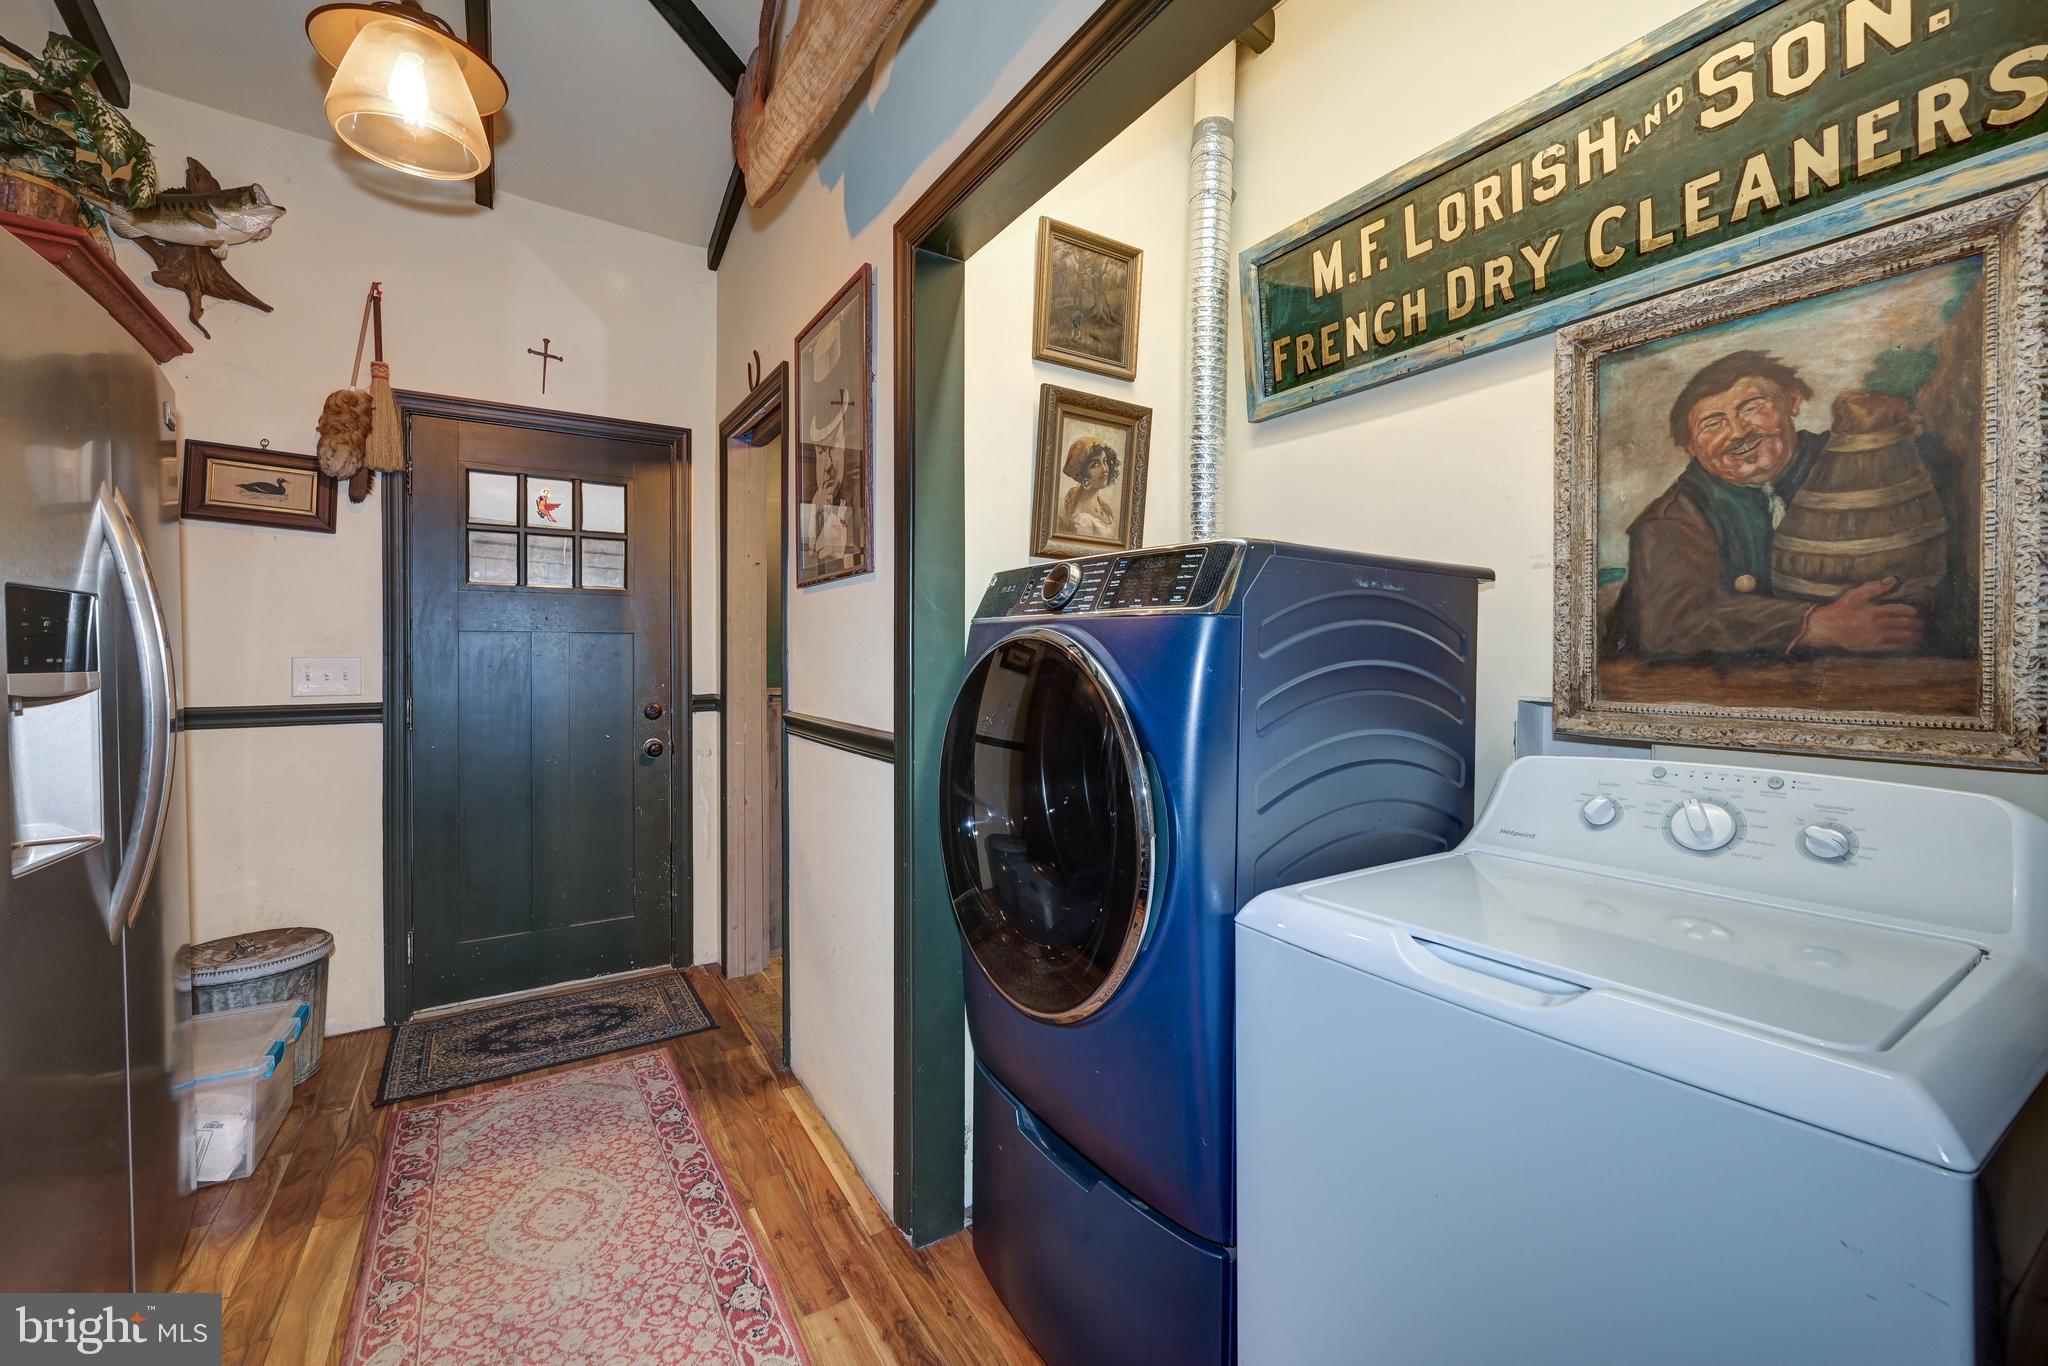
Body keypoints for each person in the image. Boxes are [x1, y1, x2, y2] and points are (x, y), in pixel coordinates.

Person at [1610, 350, 1924, 659]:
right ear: (1692, 447)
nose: (1738, 432)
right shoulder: (1673, 518)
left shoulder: (1854, 459)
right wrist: (1813, 625)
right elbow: (1671, 624)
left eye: (1752, 407)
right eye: (1712, 424)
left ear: (1793, 400)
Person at [1057, 438, 1120, 541]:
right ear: (1083, 472)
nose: (1104, 469)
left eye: (1105, 461)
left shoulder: (1105, 507)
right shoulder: (1081, 521)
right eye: (1095, 464)